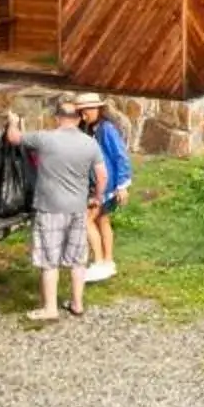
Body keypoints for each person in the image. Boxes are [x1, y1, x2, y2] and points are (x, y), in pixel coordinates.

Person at [5, 98, 106, 321]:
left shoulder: (45, 139)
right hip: (77, 209)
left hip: (49, 208)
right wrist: (96, 197)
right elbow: (102, 175)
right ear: (79, 119)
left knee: (49, 260)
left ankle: (50, 309)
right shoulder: (90, 143)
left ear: (57, 118)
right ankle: (77, 304)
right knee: (77, 260)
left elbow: (14, 139)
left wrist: (13, 122)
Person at [84, 94, 132, 283]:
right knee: (102, 220)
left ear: (97, 109)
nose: (84, 114)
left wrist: (122, 185)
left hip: (107, 186)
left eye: (87, 110)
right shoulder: (94, 129)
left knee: (86, 221)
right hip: (104, 184)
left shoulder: (106, 130)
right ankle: (108, 261)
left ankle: (98, 263)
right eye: (81, 111)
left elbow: (120, 156)